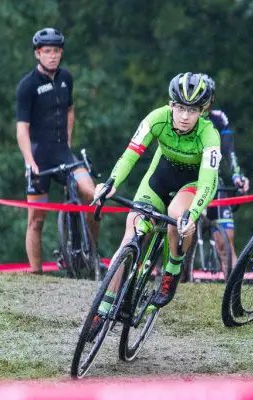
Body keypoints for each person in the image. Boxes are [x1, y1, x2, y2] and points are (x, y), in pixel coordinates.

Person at [94, 72, 220, 311]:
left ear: (202, 111)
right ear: (171, 104)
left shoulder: (209, 134)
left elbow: (206, 182)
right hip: (161, 175)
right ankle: (104, 306)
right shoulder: (156, 118)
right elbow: (130, 154)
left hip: (194, 183)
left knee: (176, 216)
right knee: (132, 231)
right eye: (180, 107)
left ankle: (172, 270)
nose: (184, 116)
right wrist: (111, 182)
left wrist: (191, 215)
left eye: (192, 110)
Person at [16, 27, 97, 273]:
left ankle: (92, 253)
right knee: (36, 220)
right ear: (37, 53)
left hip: (63, 152)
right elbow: (22, 129)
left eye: (57, 51)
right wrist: (29, 161)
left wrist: (69, 142)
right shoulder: (27, 86)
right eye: (47, 51)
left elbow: (70, 110)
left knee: (92, 195)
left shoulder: (66, 78)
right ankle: (37, 273)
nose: (53, 56)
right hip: (39, 156)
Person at [202, 75, 247, 275]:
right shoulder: (181, 118)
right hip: (189, 183)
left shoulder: (218, 119)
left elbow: (229, 151)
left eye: (208, 97)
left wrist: (237, 175)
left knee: (226, 242)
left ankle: (231, 289)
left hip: (213, 182)